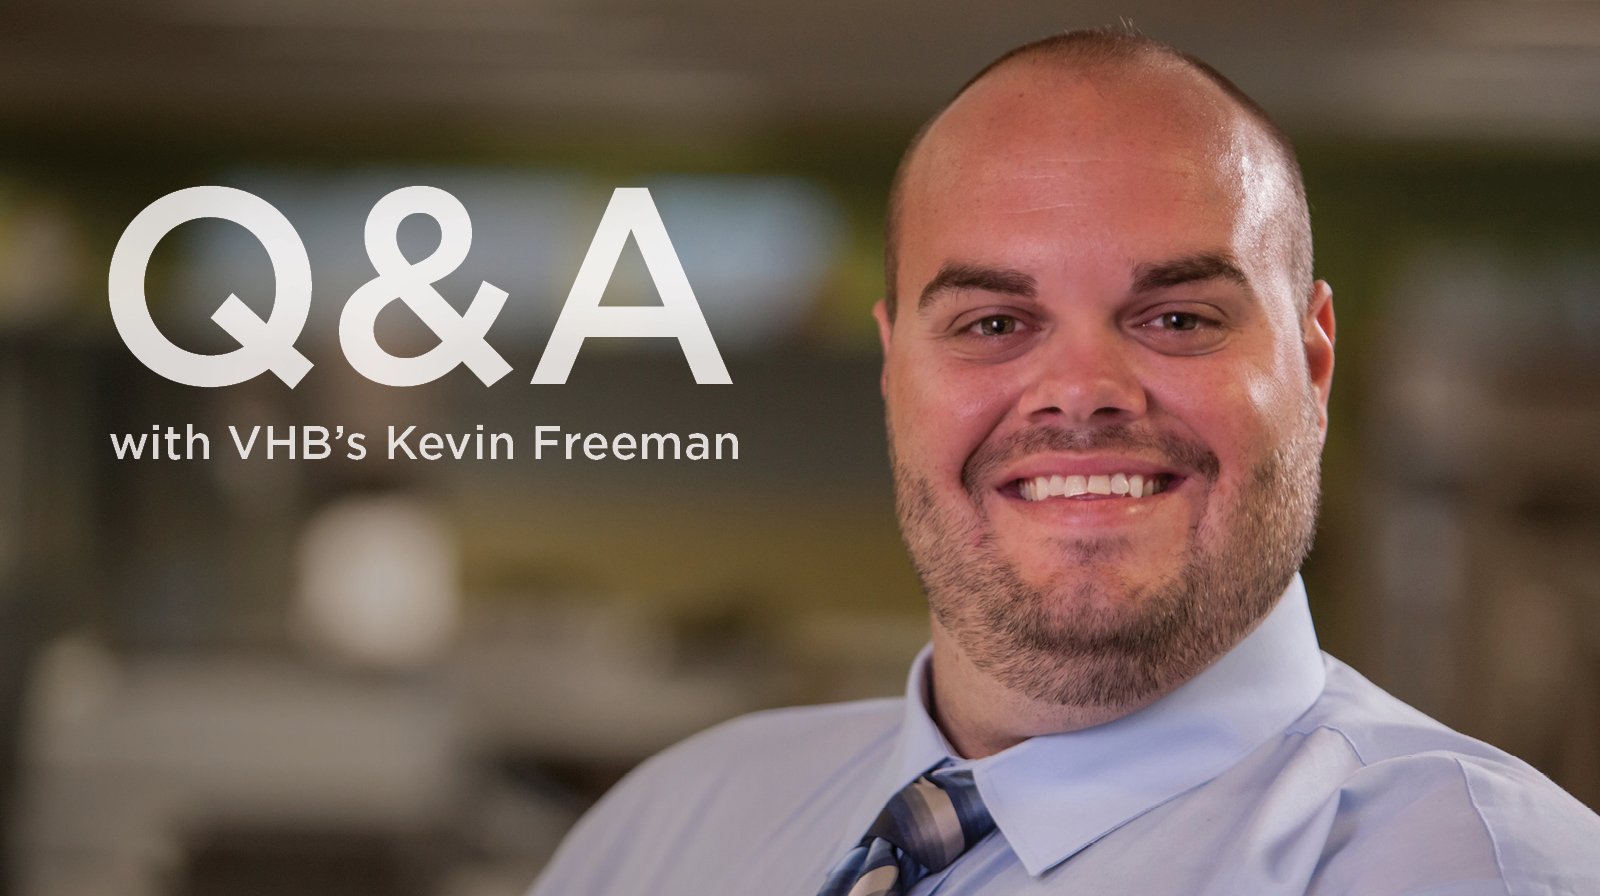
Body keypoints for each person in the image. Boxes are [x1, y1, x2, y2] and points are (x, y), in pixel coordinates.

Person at [527, 28, 1600, 896]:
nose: (1081, 388)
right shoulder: (667, 828)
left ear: (1313, 366)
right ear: (893, 366)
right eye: (994, 323)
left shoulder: (1472, 867)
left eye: (1177, 315)